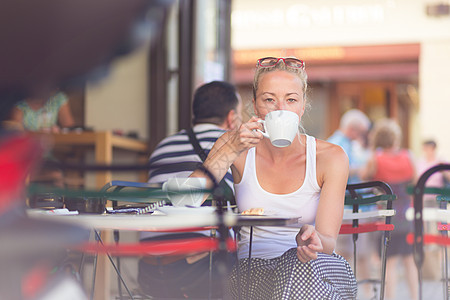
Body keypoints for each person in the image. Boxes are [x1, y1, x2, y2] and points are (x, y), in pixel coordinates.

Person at [191, 57, 357, 299]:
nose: (280, 109)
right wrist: (229, 150)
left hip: (316, 271)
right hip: (253, 275)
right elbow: (187, 197)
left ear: (302, 106)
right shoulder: (235, 145)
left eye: (291, 100)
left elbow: (329, 240)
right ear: (255, 106)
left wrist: (314, 240)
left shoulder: (330, 157)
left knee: (296, 265)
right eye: (269, 99)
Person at [138, 80, 242, 299]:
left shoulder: (162, 146)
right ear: (231, 117)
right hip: (201, 270)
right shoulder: (231, 145)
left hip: (149, 268)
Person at [361, 118, 418, 300]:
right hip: (407, 216)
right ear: (396, 138)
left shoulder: (374, 159)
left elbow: (364, 179)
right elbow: (416, 182)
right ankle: (415, 297)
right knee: (410, 261)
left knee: (390, 263)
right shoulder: (408, 156)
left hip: (386, 217)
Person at [327, 109, 377, 297]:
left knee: (358, 253)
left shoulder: (345, 143)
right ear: (354, 130)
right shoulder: (337, 144)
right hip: (347, 209)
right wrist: (362, 170)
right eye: (361, 132)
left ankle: (362, 292)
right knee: (345, 253)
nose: (362, 137)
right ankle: (344, 292)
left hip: (353, 208)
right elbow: (341, 171)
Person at [9, 91, 75, 132]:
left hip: (52, 151)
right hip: (27, 152)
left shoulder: (58, 98)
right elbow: (16, 135)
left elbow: (70, 131)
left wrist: (57, 131)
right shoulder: (19, 103)